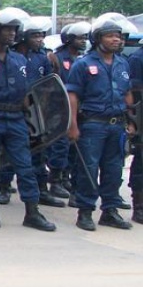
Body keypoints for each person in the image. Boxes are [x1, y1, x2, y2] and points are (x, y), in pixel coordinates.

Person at [0, 8, 56, 231]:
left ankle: (32, 212)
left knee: (25, 167)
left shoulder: (19, 60)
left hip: (16, 119)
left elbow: (28, 94)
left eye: (15, 30)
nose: (12, 34)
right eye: (7, 29)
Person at [67, 16, 134, 231]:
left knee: (114, 169)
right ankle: (85, 212)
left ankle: (110, 211)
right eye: (110, 36)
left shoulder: (123, 63)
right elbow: (73, 96)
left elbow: (127, 93)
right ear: (97, 39)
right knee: (89, 168)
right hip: (92, 124)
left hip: (117, 124)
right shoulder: (83, 64)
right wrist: (73, 125)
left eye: (119, 36)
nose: (116, 40)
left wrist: (131, 120)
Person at [13, 17, 66, 208]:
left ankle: (42, 190)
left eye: (41, 36)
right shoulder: (12, 55)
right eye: (35, 36)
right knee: (10, 151)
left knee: (38, 152)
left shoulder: (43, 57)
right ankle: (1, 186)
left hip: (36, 111)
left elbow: (49, 84)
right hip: (12, 110)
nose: (39, 39)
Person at [47, 22, 91, 207]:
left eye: (85, 38)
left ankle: (66, 176)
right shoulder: (57, 57)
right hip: (59, 108)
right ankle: (55, 180)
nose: (83, 41)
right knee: (60, 146)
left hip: (80, 109)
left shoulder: (83, 59)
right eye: (79, 38)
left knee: (74, 147)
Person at [128, 38, 143, 224]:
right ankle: (139, 207)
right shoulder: (138, 58)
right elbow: (135, 92)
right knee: (141, 161)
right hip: (142, 115)